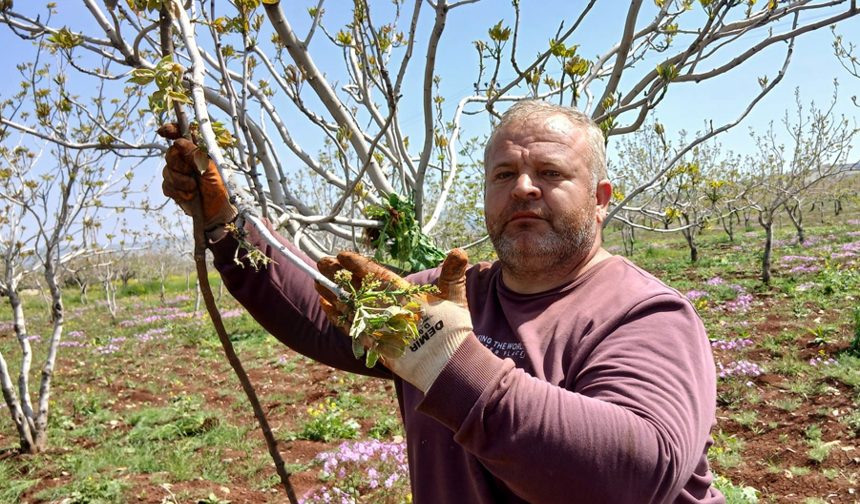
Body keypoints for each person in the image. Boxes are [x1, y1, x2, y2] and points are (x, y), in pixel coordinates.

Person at [162, 100, 724, 504]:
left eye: (550, 172)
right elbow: (317, 315)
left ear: (601, 200)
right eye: (504, 174)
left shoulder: (646, 314)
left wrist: (442, 358)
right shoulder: (448, 294)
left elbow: (636, 475)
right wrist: (225, 226)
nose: (523, 187)